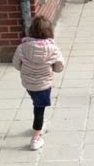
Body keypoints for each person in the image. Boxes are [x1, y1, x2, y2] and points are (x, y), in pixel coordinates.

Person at [12, 16, 64, 150]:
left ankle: (39, 125)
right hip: (44, 84)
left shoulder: (22, 47)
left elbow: (16, 64)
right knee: (39, 110)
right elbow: (59, 67)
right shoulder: (53, 49)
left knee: (37, 103)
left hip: (29, 84)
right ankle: (36, 138)